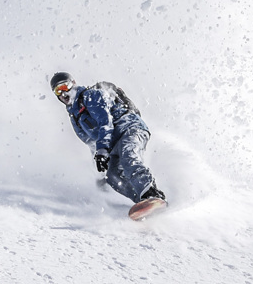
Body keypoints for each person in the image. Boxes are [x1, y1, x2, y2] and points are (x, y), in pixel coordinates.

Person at [50, 72, 166, 210]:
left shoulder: (91, 95)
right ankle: (143, 202)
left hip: (129, 129)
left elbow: (105, 123)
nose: (63, 93)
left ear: (73, 84)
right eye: (58, 91)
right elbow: (92, 143)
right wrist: (100, 168)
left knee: (128, 155)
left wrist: (103, 150)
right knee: (112, 177)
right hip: (112, 144)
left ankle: (151, 192)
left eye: (65, 87)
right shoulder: (75, 117)